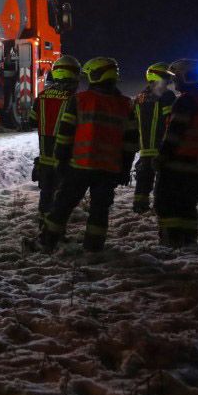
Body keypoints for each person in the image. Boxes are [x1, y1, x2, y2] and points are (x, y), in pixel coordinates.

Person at [39, 56, 138, 252]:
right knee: (100, 211)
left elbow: (65, 135)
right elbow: (131, 143)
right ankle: (94, 248)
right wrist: (125, 169)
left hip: (80, 167)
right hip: (109, 170)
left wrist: (61, 161)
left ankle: (47, 242)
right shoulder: (126, 105)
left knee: (63, 206)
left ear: (94, 76)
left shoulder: (80, 101)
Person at [153, 58, 198, 246]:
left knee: (166, 204)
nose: (175, 82)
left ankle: (171, 242)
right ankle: (188, 241)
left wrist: (162, 156)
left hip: (176, 162)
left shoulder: (186, 102)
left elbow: (175, 133)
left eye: (177, 77)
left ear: (187, 78)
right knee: (187, 206)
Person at [29, 54, 81, 225]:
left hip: (45, 159)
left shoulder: (42, 96)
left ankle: (43, 227)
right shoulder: (74, 99)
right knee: (61, 198)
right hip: (64, 158)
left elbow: (31, 120)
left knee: (46, 194)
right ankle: (54, 233)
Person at [131, 62, 176, 213]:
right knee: (164, 179)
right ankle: (160, 206)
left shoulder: (139, 97)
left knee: (144, 178)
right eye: (166, 77)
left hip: (145, 147)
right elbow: (171, 120)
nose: (169, 81)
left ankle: (139, 207)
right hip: (162, 145)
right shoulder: (167, 95)